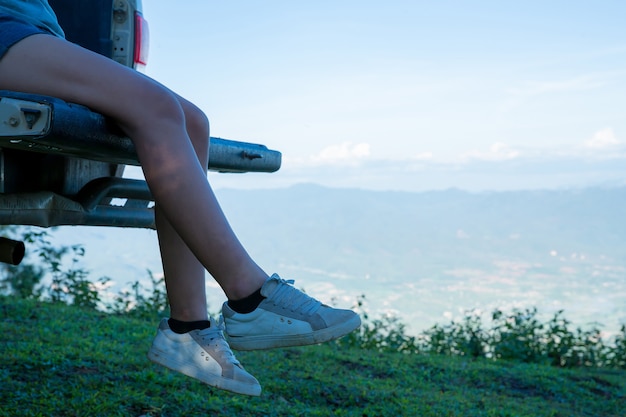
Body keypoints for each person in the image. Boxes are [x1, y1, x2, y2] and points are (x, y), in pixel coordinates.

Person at [0, 0, 360, 396]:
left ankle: (186, 327)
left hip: (35, 31)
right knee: (155, 107)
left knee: (192, 122)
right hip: (8, 32)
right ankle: (250, 295)